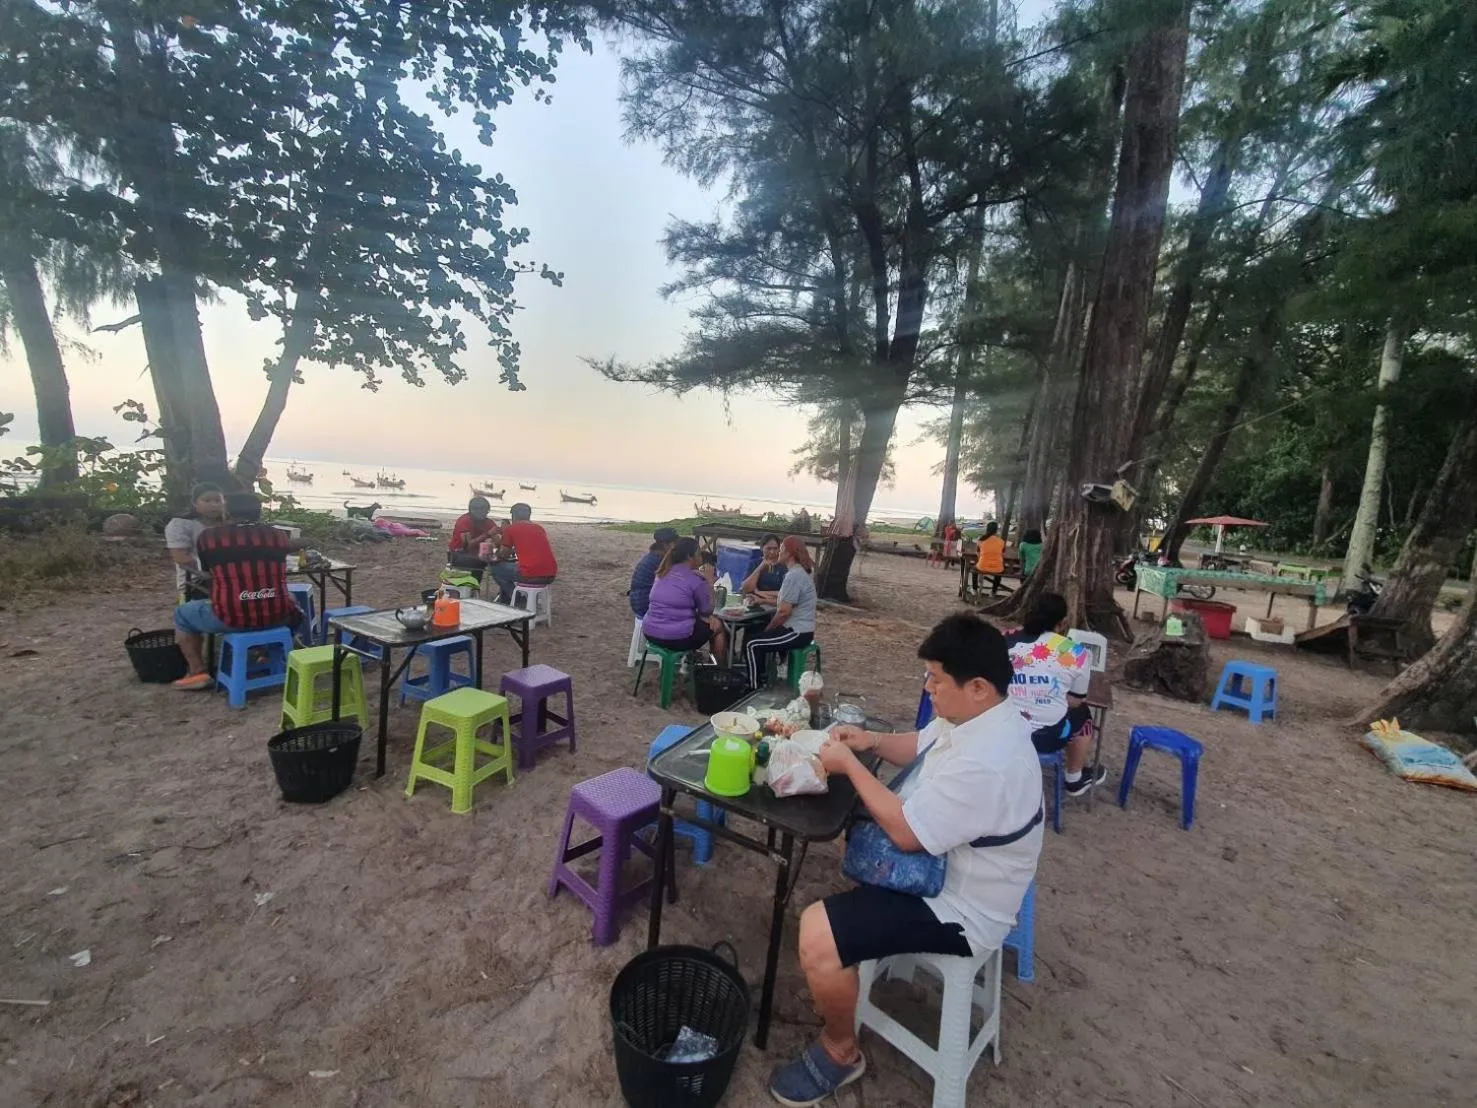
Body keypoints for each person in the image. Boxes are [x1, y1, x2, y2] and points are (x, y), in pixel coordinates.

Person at [767, 613, 1043, 1106]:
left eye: (936, 679)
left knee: (815, 935)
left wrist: (849, 764)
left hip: (958, 906)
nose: (927, 687)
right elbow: (920, 743)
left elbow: (907, 832)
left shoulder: (990, 763)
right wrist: (869, 741)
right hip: (946, 867)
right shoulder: (978, 716)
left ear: (978, 686)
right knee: (849, 837)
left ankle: (840, 1051)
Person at [171, 492, 309, 691]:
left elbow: (209, 573)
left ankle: (198, 672)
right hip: (278, 615)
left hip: (231, 617)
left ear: (226, 512)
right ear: (259, 513)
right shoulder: (278, 536)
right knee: (292, 598)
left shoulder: (209, 538)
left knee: (182, 614)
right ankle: (266, 651)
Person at [1005, 592, 1106, 796]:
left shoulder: (1004, 640)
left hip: (1003, 731)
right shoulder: (1076, 652)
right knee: (1083, 714)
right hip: (1046, 738)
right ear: (1062, 623)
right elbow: (1075, 700)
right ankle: (1074, 778)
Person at [742, 535, 816, 688]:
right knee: (757, 637)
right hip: (800, 629)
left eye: (780, 549)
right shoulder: (796, 573)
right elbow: (784, 601)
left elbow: (783, 612)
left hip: (797, 631)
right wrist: (761, 598)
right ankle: (761, 676)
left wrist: (770, 628)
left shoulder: (793, 576)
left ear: (789, 553)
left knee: (752, 644)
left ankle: (754, 687)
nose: (777, 552)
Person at [640, 537, 727, 660]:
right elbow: (707, 610)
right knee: (718, 626)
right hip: (676, 639)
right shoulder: (696, 579)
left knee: (695, 620)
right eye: (698, 554)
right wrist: (709, 582)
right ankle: (719, 670)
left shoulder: (663, 572)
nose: (701, 558)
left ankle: (692, 659)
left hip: (650, 632)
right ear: (689, 557)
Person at [164, 483, 226, 601]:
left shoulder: (229, 526)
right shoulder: (181, 525)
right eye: (207, 500)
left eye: (218, 500)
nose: (214, 504)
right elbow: (181, 558)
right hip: (197, 580)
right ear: (194, 503)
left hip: (228, 577)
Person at [488, 502, 557, 604]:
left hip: (531, 574)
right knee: (512, 567)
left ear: (513, 515)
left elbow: (503, 554)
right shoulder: (539, 528)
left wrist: (493, 557)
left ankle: (517, 599)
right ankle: (512, 598)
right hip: (551, 574)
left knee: (496, 569)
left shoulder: (511, 528)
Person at [629, 527, 680, 619]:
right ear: (665, 545)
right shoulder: (660, 559)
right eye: (674, 542)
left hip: (638, 601)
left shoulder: (654, 555)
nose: (677, 545)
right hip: (643, 605)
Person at [447, 496, 501, 571]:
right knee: (477, 564)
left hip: (479, 554)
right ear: (472, 510)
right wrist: (487, 534)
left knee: (500, 563)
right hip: (459, 554)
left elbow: (499, 542)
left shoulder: (488, 522)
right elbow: (468, 545)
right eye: (481, 510)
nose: (484, 513)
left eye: (486, 511)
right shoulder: (464, 521)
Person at [740, 534, 787, 602]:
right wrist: (761, 567)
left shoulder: (784, 565)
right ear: (762, 548)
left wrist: (759, 593)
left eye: (775, 548)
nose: (772, 552)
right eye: (769, 548)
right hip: (756, 602)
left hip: (777, 603)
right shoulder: (755, 563)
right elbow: (746, 589)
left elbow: (787, 592)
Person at [974, 521, 1006, 595]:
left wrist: (981, 560)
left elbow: (978, 553)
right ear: (996, 530)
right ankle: (993, 592)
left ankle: (974, 589)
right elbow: (1002, 555)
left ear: (987, 529)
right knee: (1000, 570)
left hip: (982, 566)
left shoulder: (981, 540)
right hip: (997, 567)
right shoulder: (1001, 541)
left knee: (974, 569)